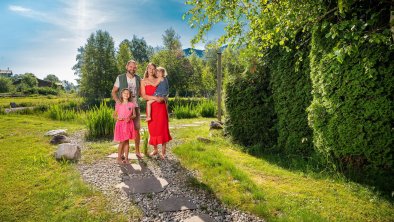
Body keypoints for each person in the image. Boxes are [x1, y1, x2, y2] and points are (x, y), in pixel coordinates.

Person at [111, 60, 143, 159]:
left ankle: (137, 151)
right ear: (127, 67)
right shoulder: (120, 78)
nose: (132, 69)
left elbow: (141, 93)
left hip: (135, 107)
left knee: (136, 129)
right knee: (124, 130)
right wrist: (117, 101)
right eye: (130, 67)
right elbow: (114, 92)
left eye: (134, 67)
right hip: (124, 109)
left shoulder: (138, 79)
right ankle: (122, 154)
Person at [141, 63, 172, 160]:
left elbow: (166, 92)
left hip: (161, 107)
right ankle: (155, 150)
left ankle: (163, 152)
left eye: (153, 68)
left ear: (155, 70)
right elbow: (144, 96)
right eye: (150, 68)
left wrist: (162, 99)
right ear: (147, 69)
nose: (151, 70)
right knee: (153, 129)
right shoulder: (143, 81)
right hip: (151, 108)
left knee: (162, 128)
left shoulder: (159, 79)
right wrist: (155, 97)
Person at [113, 88, 136, 164]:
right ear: (122, 95)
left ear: (129, 95)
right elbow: (114, 115)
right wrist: (118, 118)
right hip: (120, 124)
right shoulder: (118, 104)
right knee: (122, 142)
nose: (126, 94)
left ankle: (126, 159)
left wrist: (129, 118)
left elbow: (134, 115)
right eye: (124, 93)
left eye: (128, 93)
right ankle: (119, 158)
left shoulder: (131, 104)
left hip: (128, 124)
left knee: (127, 142)